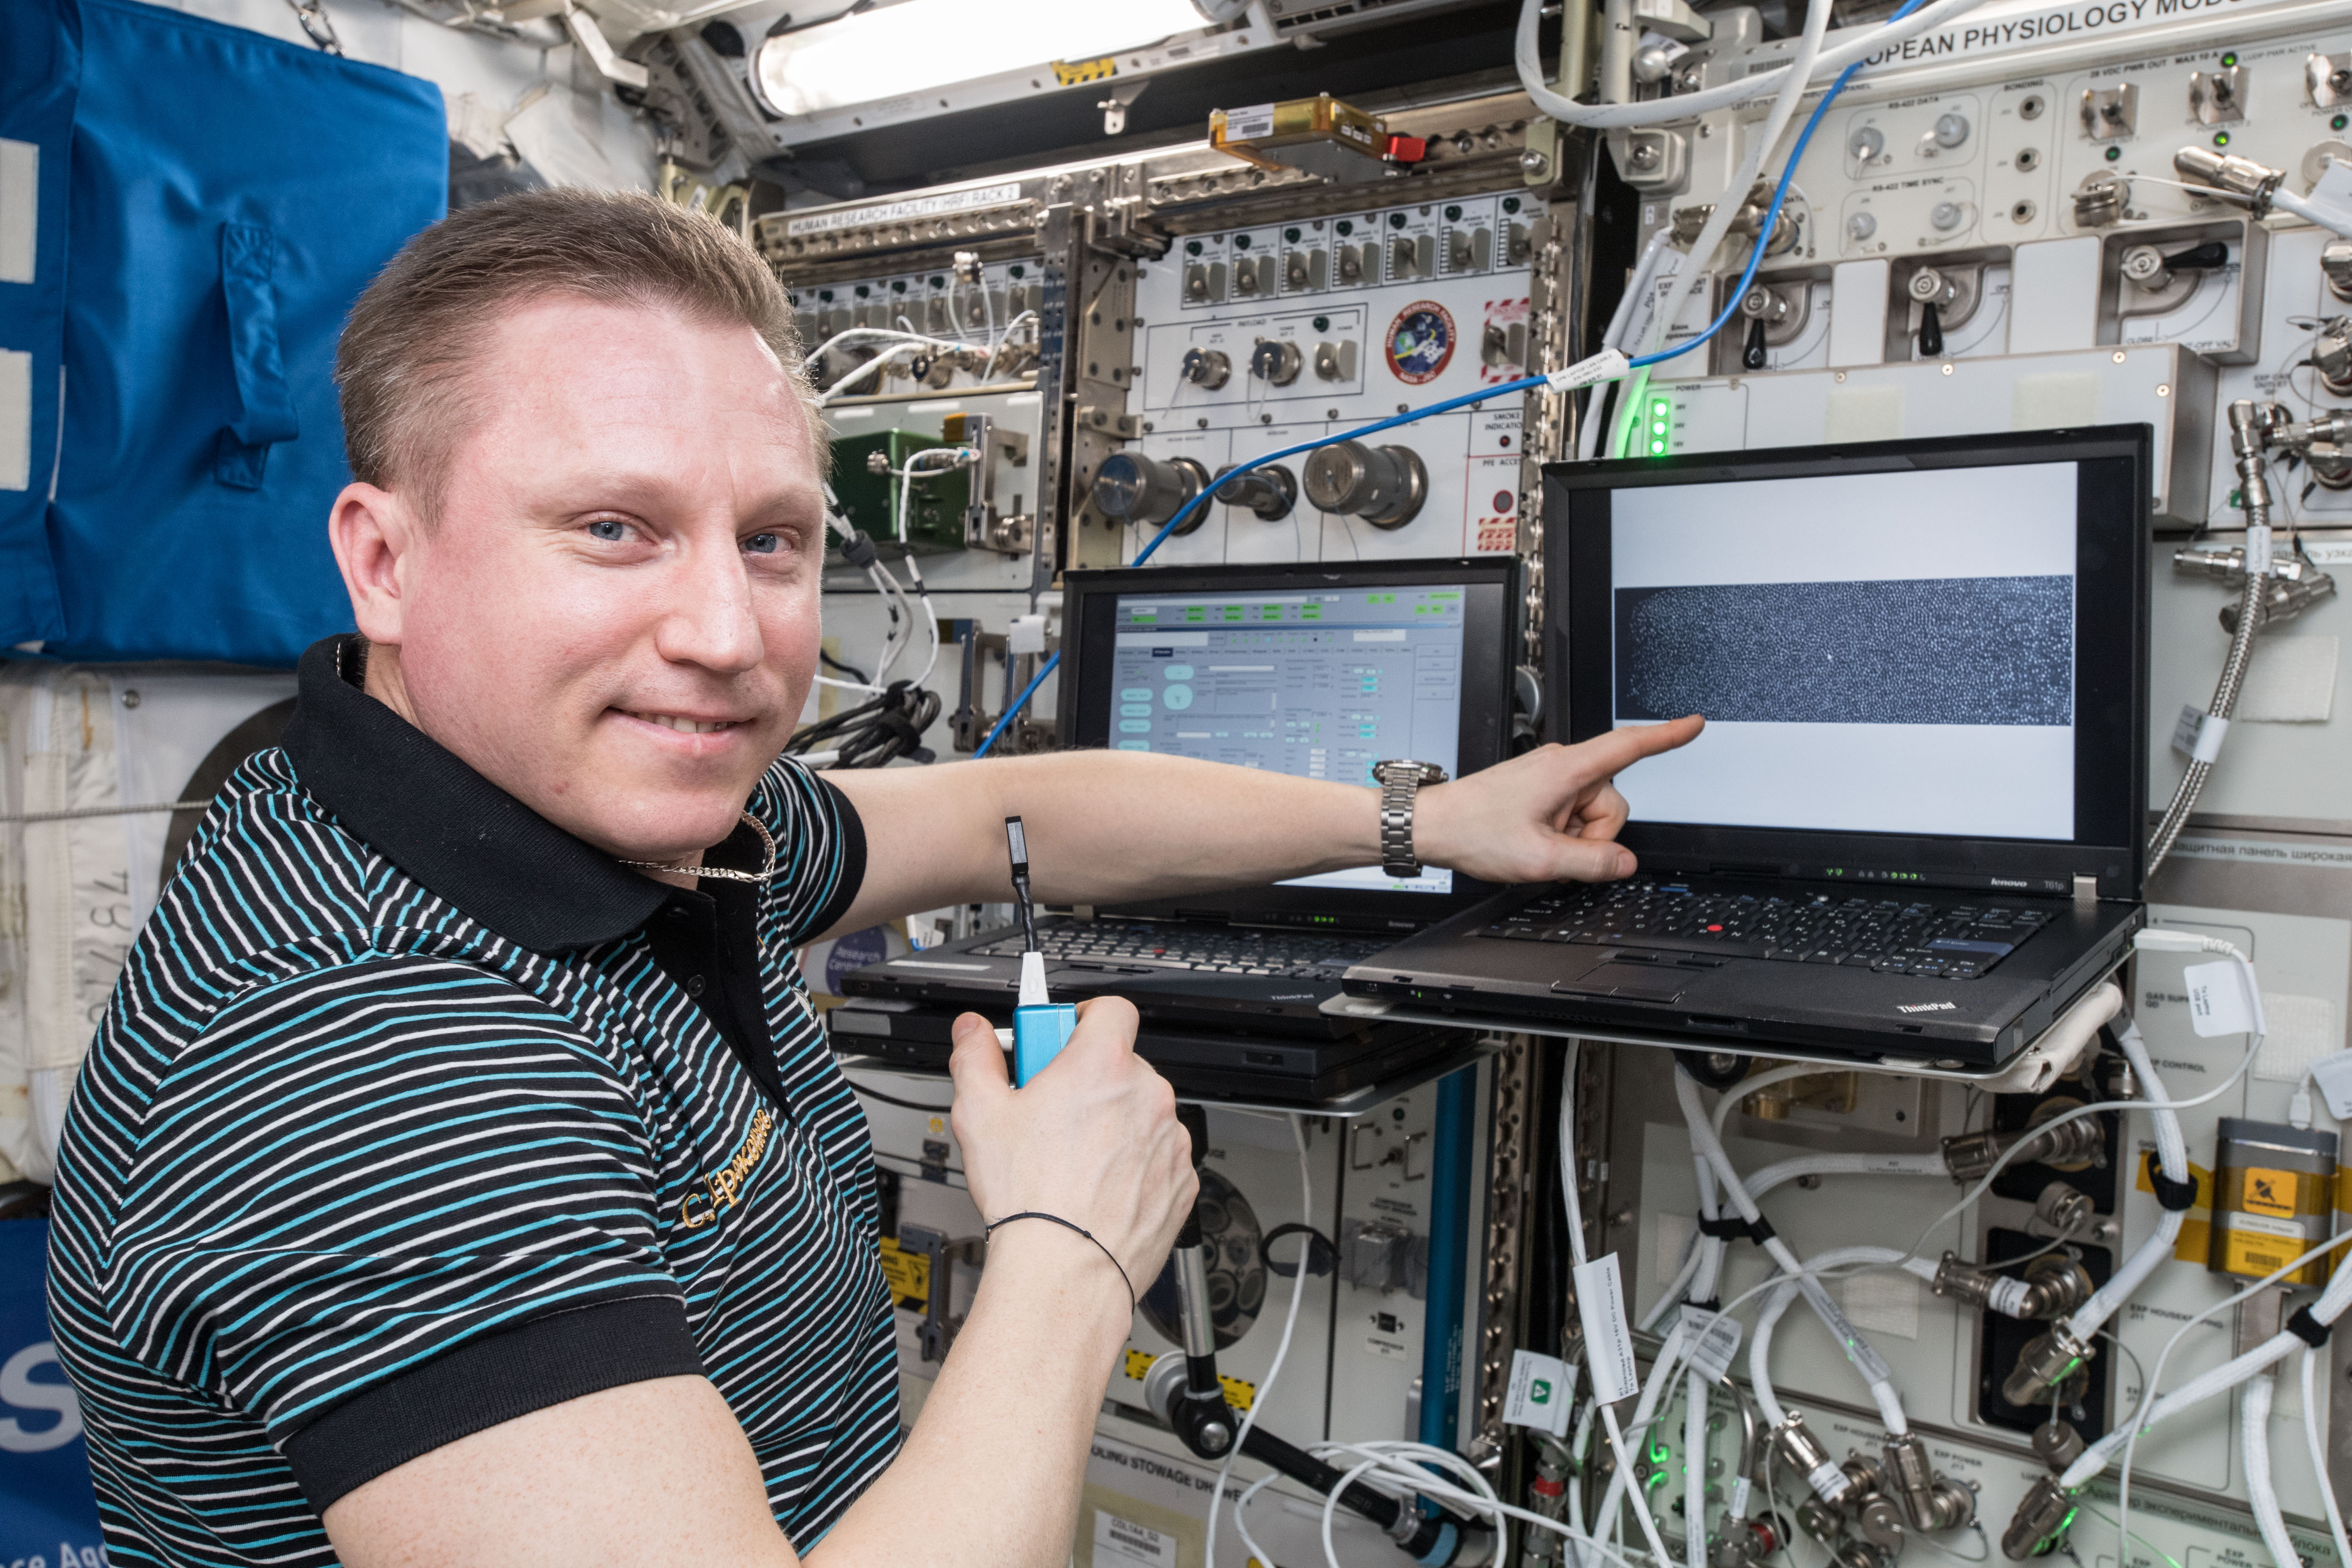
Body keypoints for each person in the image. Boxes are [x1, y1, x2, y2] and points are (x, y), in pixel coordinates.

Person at [46, 188, 1701, 1568]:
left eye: (771, 538)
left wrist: (1422, 822)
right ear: (382, 559)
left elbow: (1019, 810)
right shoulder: (369, 1062)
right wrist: (1065, 1247)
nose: (725, 633)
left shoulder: (645, 818)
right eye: (614, 528)